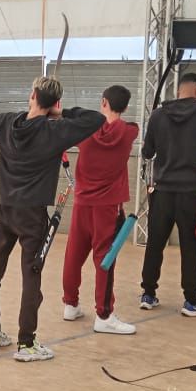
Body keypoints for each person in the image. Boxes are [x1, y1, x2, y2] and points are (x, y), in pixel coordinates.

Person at [0, 75, 104, 361]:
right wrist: (61, 112)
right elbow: (96, 119)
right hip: (32, 215)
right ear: (55, 102)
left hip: (7, 210)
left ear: (31, 95)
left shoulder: (6, 122)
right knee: (31, 276)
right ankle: (26, 343)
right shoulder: (56, 130)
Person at [138, 72, 196, 317]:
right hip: (190, 192)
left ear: (179, 90)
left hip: (162, 192)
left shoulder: (157, 115)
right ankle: (191, 301)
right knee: (191, 246)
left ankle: (148, 294)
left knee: (155, 243)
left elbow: (147, 152)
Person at [62, 84, 139, 335]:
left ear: (103, 102)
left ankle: (70, 304)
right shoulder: (129, 131)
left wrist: (59, 111)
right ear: (125, 106)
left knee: (75, 252)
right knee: (104, 258)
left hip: (83, 202)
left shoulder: (86, 131)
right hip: (107, 206)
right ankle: (103, 315)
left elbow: (77, 117)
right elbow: (127, 126)